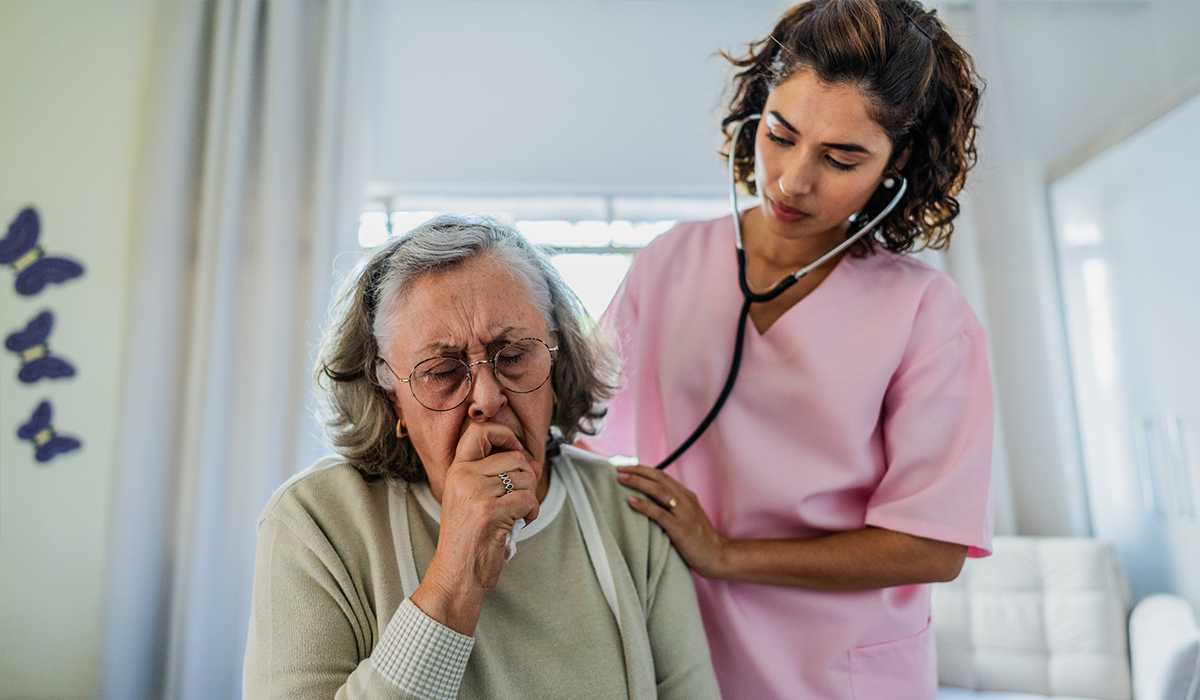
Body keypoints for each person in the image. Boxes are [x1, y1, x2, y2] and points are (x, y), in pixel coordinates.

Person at [579, 1, 994, 698]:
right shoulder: (668, 262)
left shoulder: (927, 314)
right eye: (780, 134)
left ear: (899, 165)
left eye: (841, 158)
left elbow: (934, 543)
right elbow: (577, 432)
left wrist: (725, 555)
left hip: (843, 671)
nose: (793, 179)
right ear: (754, 114)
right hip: (682, 651)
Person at [243, 215, 720, 700]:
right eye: (443, 370)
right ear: (391, 398)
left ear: (556, 365)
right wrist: (456, 579)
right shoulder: (314, 524)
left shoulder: (632, 517)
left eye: (513, 355)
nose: (487, 398)